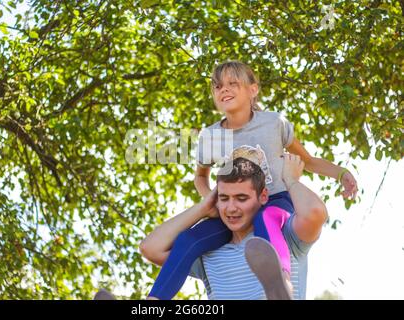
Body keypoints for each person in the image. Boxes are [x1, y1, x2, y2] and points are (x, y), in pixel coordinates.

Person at [141, 60, 358, 300]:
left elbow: (307, 160)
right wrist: (210, 202)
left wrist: (340, 173)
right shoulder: (211, 136)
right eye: (217, 86)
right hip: (236, 209)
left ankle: (281, 284)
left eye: (233, 83)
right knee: (188, 239)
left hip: (275, 201)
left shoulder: (274, 123)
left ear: (253, 90)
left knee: (267, 219)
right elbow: (200, 178)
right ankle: (152, 302)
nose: (224, 89)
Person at [140, 154, 327, 299]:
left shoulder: (286, 236)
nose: (231, 208)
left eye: (241, 198)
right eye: (224, 198)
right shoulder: (208, 254)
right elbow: (150, 248)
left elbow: (315, 213)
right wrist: (203, 207)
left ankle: (283, 284)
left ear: (263, 196)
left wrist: (291, 179)